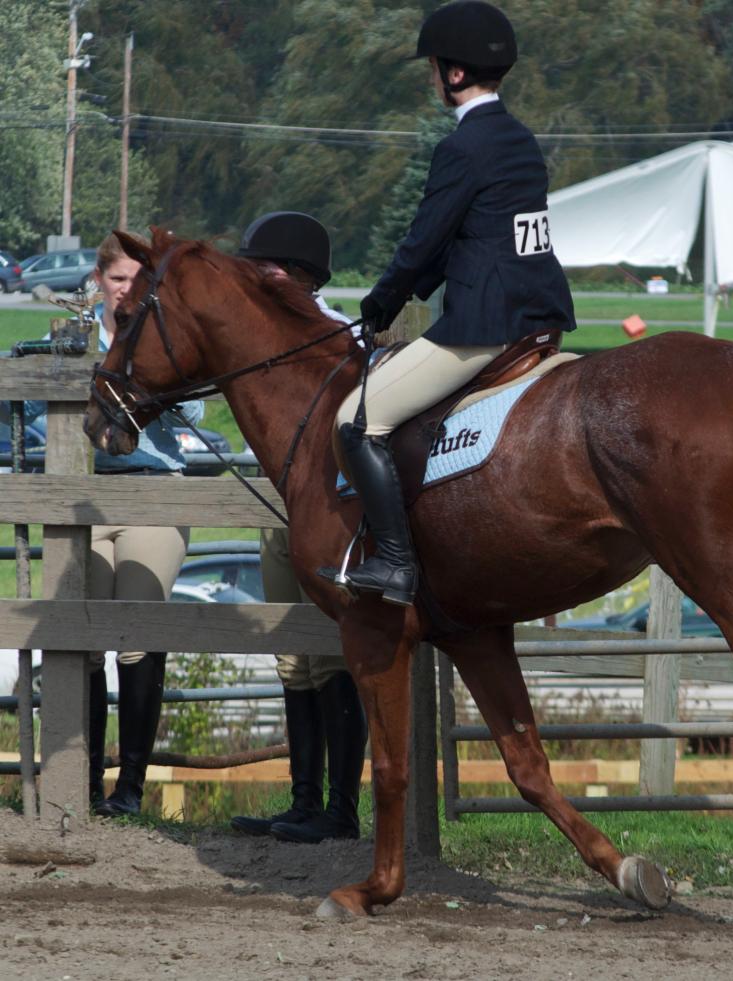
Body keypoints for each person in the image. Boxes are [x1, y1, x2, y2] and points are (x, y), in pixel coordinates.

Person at [318, 0, 576, 605]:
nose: (432, 79)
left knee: (354, 424)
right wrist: (412, 288)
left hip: (483, 327)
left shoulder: (461, 148)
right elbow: (478, 235)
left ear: (454, 75)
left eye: (434, 68)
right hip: (540, 319)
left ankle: (397, 566)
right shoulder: (518, 139)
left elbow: (424, 240)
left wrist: (380, 302)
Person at [2, 232, 205, 817]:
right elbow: (32, 404)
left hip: (151, 492)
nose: (126, 291)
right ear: (98, 282)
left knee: (137, 636)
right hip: (83, 498)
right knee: (81, 640)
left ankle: (131, 790)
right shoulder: (73, 336)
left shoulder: (165, 335)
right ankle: (81, 785)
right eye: (118, 280)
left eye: (138, 282)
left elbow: (194, 409)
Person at [229, 211, 367, 843]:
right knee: (293, 661)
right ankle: (303, 801)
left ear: (302, 277)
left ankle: (341, 810)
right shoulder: (257, 340)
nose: (258, 275)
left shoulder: (339, 336)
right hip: (279, 510)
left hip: (332, 513)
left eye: (269, 267)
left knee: (335, 655)